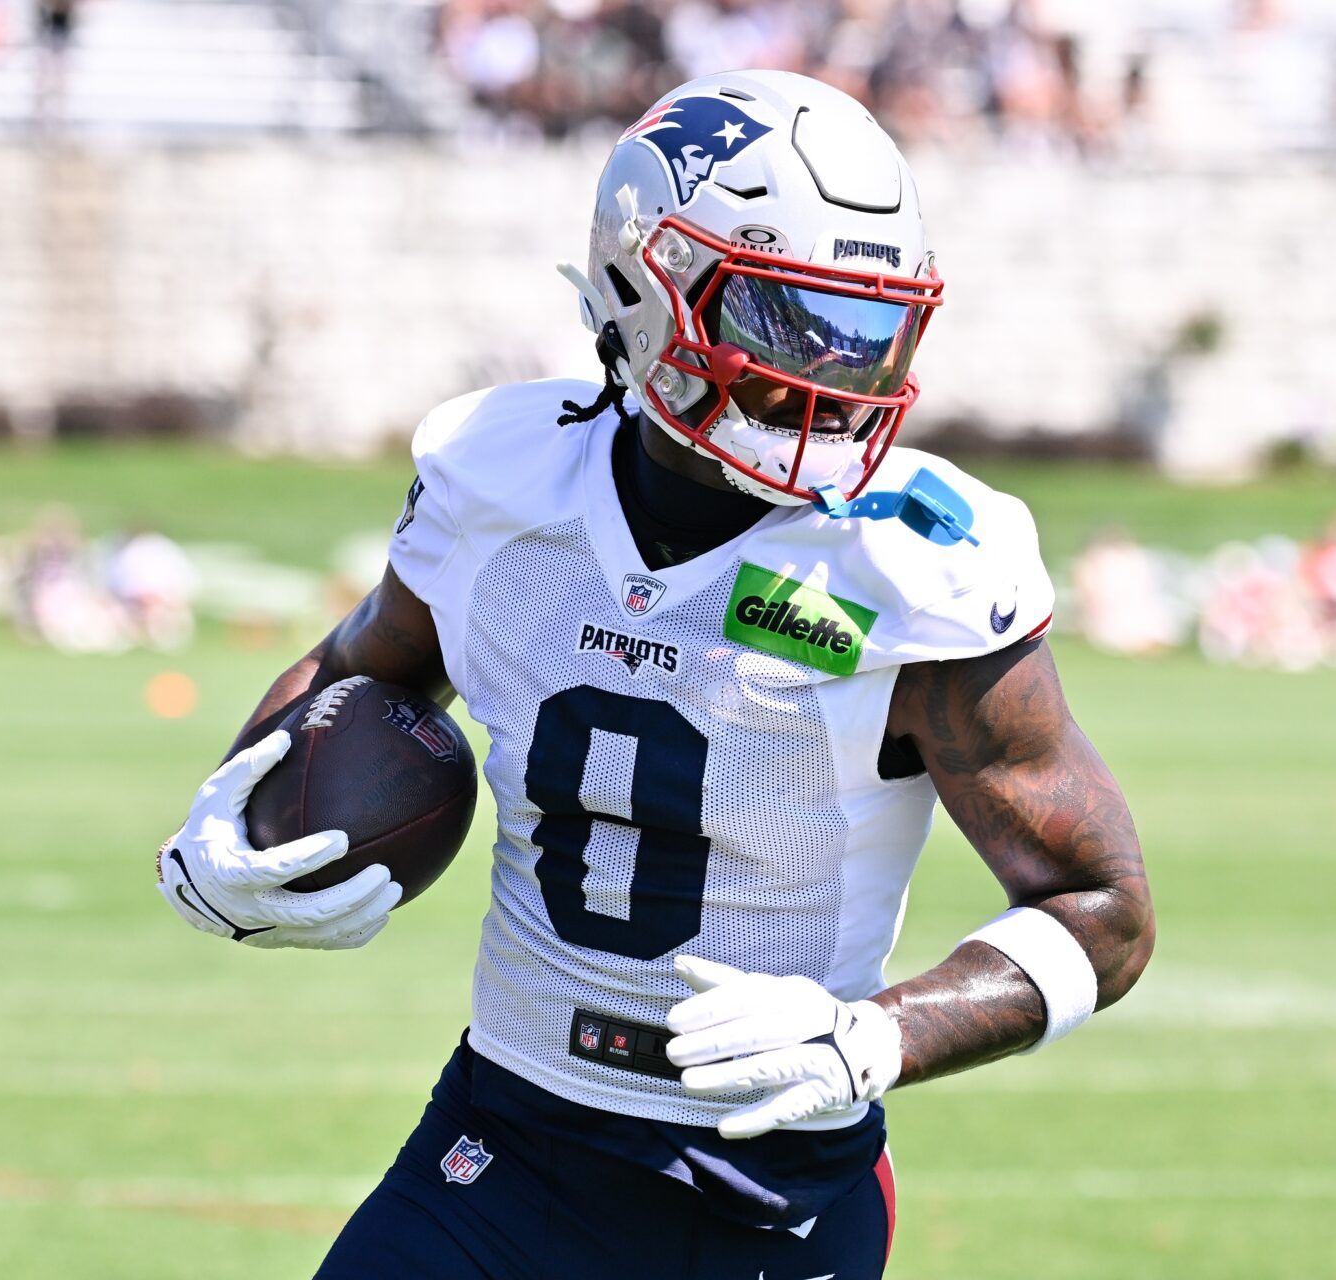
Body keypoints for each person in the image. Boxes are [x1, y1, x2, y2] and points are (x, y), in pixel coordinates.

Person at [155, 70, 1153, 1279]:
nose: (831, 376)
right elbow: (369, 670)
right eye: (785, 319)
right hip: (504, 1136)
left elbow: (1102, 909)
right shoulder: (501, 475)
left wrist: (874, 1036)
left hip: (761, 1183)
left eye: (865, 328)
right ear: (644, 291)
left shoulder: (914, 564)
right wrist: (231, 808)